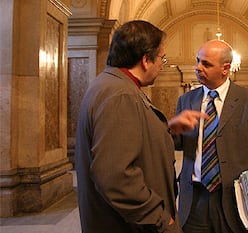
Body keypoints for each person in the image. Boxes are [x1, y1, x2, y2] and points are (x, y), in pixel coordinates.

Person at [75, 20, 204, 233]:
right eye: (162, 57)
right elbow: (115, 177)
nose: (163, 64)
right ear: (145, 60)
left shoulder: (114, 86)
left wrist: (167, 129)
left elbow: (128, 141)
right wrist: (162, 219)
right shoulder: (120, 95)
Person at [174, 40, 248, 233]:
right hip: (194, 200)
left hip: (235, 200)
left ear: (225, 68)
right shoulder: (186, 100)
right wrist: (173, 129)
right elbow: (177, 145)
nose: (197, 68)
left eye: (206, 64)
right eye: (197, 61)